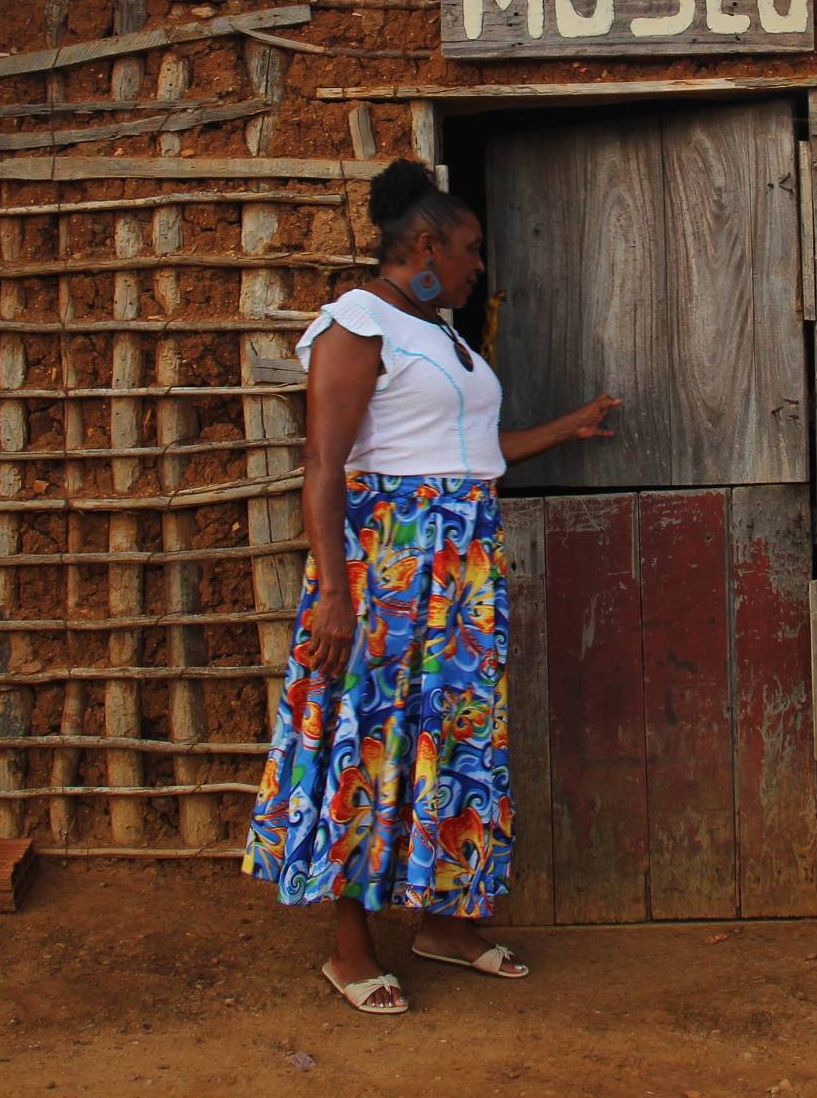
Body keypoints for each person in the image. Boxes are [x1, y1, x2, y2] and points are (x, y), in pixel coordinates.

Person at [243, 159, 621, 1015]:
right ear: (425, 244)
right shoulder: (356, 325)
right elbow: (323, 465)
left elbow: (469, 456)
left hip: (461, 573)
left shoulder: (440, 332)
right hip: (387, 569)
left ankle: (443, 922)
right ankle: (348, 948)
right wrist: (336, 593)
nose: (478, 265)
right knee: (364, 743)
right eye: (469, 249)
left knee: (454, 741)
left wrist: (569, 427)